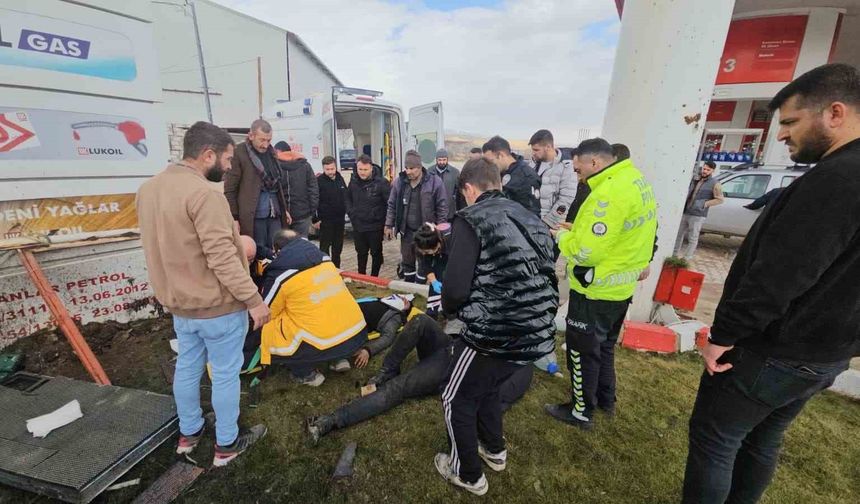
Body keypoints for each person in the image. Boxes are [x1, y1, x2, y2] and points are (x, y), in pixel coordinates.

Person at [682, 63, 860, 504]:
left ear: (834, 113)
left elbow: (780, 275)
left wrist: (722, 335)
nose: (780, 135)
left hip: (776, 349)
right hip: (826, 352)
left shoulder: (837, 178)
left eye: (791, 122)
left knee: (715, 439)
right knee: (762, 438)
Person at [136, 121, 269, 467]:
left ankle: (189, 433)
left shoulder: (148, 190)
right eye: (226, 159)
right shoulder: (204, 194)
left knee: (187, 367)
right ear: (207, 154)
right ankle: (227, 444)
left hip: (181, 306)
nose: (228, 167)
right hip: (218, 307)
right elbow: (223, 258)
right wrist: (254, 300)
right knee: (225, 373)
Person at [435, 158, 558, 496]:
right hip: (536, 329)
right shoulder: (528, 216)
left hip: (494, 332)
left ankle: (467, 474)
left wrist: (451, 310)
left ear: (469, 189)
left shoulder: (471, 218)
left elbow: (456, 289)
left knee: (454, 397)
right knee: (487, 387)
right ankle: (494, 449)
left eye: (464, 194)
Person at [546, 138, 657, 430]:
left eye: (577, 165)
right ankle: (606, 400)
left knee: (582, 351)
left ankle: (581, 411)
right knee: (605, 347)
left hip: (595, 289)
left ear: (594, 162)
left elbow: (586, 251)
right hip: (620, 287)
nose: (575, 172)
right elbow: (619, 232)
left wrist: (562, 236)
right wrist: (579, 229)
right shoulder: (634, 180)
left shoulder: (607, 194)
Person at [306, 314, 535, 443]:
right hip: (451, 346)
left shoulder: (521, 361)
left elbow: (497, 401)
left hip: (452, 366)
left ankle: (332, 420)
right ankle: (388, 370)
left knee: (398, 388)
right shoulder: (495, 313)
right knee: (420, 321)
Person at [256, 230, 368, 386]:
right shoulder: (325, 260)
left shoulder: (280, 274)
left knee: (272, 325)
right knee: (324, 309)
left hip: (322, 339)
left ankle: (305, 373)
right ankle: (338, 359)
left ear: (277, 250)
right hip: (354, 331)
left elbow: (267, 310)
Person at [224, 119, 289, 260]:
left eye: (269, 140)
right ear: (251, 135)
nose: (265, 145)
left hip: (275, 212)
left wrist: (285, 210)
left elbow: (278, 184)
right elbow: (230, 189)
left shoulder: (272, 153)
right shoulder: (238, 153)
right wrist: (234, 218)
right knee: (257, 253)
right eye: (262, 140)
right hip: (253, 216)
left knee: (277, 250)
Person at [384, 150, 448, 283]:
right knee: (407, 261)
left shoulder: (434, 182)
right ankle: (409, 286)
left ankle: (420, 288)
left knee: (424, 263)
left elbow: (442, 207)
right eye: (406, 168)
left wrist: (439, 231)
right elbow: (391, 205)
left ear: (419, 167)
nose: (408, 171)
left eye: (412, 168)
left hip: (425, 233)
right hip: (406, 231)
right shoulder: (399, 183)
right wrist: (388, 225)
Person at [347, 154, 391, 276]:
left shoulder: (382, 183)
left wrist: (387, 223)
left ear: (371, 168)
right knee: (361, 252)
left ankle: (374, 277)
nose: (362, 172)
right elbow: (348, 198)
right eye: (360, 169)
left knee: (376, 253)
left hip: (375, 225)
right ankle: (361, 276)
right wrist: (352, 213)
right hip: (358, 224)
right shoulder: (354, 181)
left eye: (365, 169)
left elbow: (389, 204)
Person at [674, 160, 724, 260]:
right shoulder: (696, 179)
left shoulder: (715, 184)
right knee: (679, 235)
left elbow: (720, 199)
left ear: (712, 171)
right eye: (704, 169)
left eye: (707, 170)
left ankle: (687, 258)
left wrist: (704, 204)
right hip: (686, 211)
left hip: (698, 214)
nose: (704, 171)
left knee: (693, 237)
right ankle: (674, 255)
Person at [528, 129, 577, 227]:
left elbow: (566, 199)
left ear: (548, 147)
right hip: (530, 219)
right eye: (532, 149)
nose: (533, 153)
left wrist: (547, 224)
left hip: (548, 224)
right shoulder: (533, 163)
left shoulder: (566, 167)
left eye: (536, 150)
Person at [352, 294, 415, 370]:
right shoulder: (379, 301)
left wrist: (368, 350)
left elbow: (387, 338)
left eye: (404, 300)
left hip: (352, 321)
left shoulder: (395, 317)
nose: (402, 298)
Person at [481, 135, 541, 215]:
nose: (488, 166)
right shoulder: (499, 172)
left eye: (490, 162)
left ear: (500, 155)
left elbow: (532, 214)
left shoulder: (526, 176)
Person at [274, 141, 319, 238]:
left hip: (282, 215)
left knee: (283, 245)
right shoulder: (305, 165)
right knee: (302, 245)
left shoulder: (275, 167)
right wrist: (311, 210)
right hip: (303, 214)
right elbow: (313, 189)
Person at [314, 156, 348, 267]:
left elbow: (345, 196)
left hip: (339, 220)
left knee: (337, 248)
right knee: (324, 248)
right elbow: (314, 201)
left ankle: (336, 269)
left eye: (332, 169)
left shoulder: (340, 179)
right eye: (327, 169)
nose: (330, 172)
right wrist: (315, 219)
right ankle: (325, 268)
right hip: (325, 221)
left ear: (335, 167)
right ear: (323, 169)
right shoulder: (319, 182)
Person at [431, 148, 461, 222]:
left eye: (444, 160)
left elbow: (458, 190)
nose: (442, 162)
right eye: (440, 160)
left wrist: (453, 198)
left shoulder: (455, 172)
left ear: (447, 159)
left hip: (450, 212)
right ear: (436, 160)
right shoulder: (430, 171)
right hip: (433, 211)